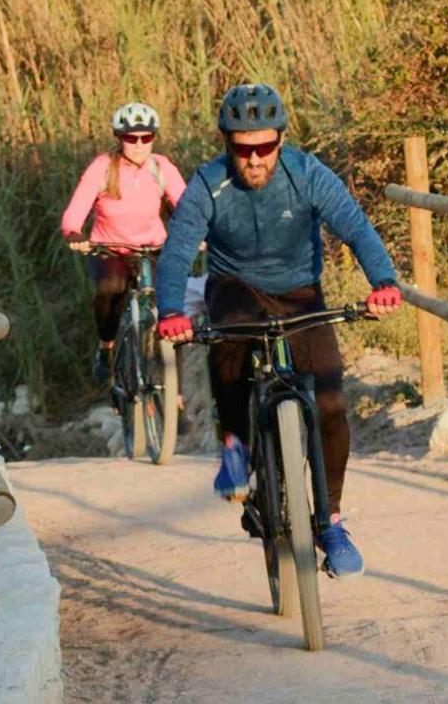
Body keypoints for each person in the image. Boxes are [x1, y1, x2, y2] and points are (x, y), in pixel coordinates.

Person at [154, 83, 402, 580]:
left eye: (264, 147)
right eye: (243, 149)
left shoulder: (307, 174)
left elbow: (355, 227)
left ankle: (330, 522)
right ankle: (236, 448)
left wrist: (384, 282)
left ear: (280, 141)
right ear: (228, 144)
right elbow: (179, 251)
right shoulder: (209, 184)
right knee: (227, 345)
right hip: (234, 287)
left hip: (299, 293)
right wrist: (169, 311)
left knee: (330, 402)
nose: (254, 159)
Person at [61, 102, 186, 379]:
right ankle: (106, 345)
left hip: (153, 248)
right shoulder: (103, 167)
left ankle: (173, 384)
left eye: (147, 137)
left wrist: (198, 235)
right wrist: (74, 233)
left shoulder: (161, 167)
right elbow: (76, 209)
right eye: (132, 138)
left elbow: (186, 207)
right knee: (111, 287)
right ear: (120, 139)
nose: (140, 144)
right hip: (110, 249)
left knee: (171, 303)